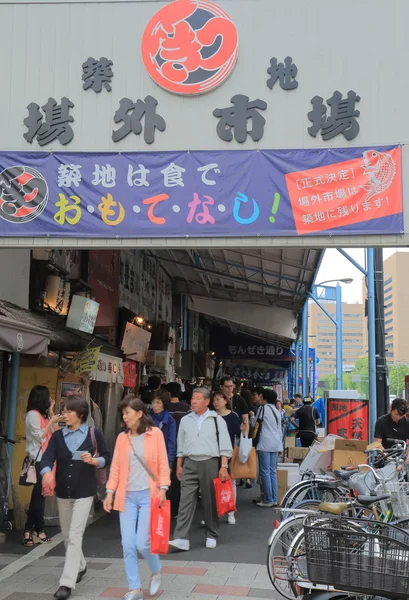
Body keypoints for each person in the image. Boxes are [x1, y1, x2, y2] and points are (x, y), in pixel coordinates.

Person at [41, 396, 110, 600]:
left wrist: (95, 460)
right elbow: (47, 458)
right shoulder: (58, 436)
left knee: (75, 534)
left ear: (80, 414)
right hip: (63, 491)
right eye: (64, 411)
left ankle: (66, 583)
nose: (65, 414)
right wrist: (46, 471)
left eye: (69, 411)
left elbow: (107, 456)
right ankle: (81, 565)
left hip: (84, 492)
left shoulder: (93, 433)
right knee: (67, 536)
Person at [104, 396, 170, 600]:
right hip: (127, 497)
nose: (124, 417)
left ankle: (156, 569)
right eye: (123, 413)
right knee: (128, 544)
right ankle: (135, 588)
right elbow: (115, 467)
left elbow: (162, 463)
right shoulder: (122, 439)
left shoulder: (155, 434)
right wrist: (109, 492)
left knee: (142, 543)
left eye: (127, 413)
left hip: (148, 495)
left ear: (140, 413)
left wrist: (163, 488)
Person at [169, 388, 233, 551]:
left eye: (198, 398)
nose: (194, 401)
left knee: (209, 500)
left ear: (206, 401)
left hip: (210, 462)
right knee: (185, 500)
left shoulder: (216, 420)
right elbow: (181, 443)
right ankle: (181, 537)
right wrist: (179, 463)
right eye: (192, 398)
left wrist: (224, 466)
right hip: (190, 462)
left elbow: (225, 445)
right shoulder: (186, 420)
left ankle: (212, 533)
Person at [23, 385, 61, 547]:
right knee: (38, 497)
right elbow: (40, 437)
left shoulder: (45, 415)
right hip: (38, 460)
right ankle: (35, 530)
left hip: (47, 460)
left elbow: (57, 434)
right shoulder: (32, 415)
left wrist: (51, 413)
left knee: (39, 497)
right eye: (47, 397)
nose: (49, 400)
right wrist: (50, 420)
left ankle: (32, 530)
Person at [212, 391, 241, 525]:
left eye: (218, 399)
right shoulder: (211, 416)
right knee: (213, 483)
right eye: (214, 400)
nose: (216, 402)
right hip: (212, 452)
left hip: (229, 453)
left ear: (225, 401)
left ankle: (231, 512)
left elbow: (239, 435)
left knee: (231, 482)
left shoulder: (233, 416)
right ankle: (214, 513)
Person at [253, 388, 282, 507]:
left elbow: (256, 423)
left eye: (260, 395)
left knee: (264, 472)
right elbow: (279, 429)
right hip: (275, 443)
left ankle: (268, 500)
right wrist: (280, 446)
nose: (259, 397)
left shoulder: (263, 408)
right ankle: (274, 498)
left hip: (264, 443)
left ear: (264, 397)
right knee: (272, 472)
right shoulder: (276, 410)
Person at [165, 382, 191, 518]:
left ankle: (165, 507)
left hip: (166, 448)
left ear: (168, 394)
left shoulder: (164, 408)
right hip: (182, 448)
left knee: (165, 479)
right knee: (179, 479)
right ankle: (176, 509)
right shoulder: (187, 408)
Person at [151, 390, 177, 469]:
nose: (154, 405)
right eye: (153, 402)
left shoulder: (170, 421)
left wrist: (169, 464)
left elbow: (171, 443)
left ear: (164, 404)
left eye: (158, 403)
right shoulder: (147, 418)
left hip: (162, 459)